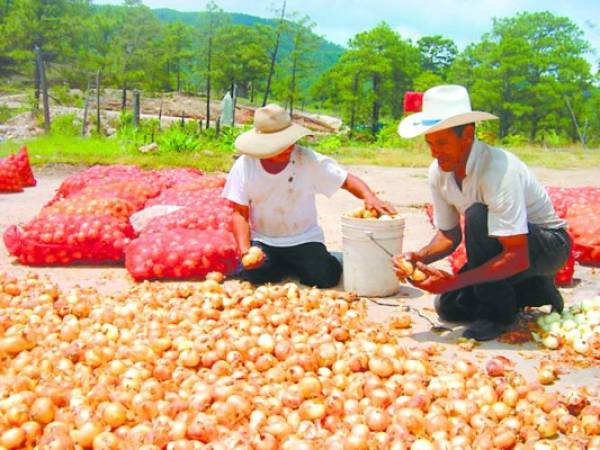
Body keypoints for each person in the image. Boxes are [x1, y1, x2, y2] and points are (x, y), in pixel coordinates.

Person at [393, 85, 571, 341]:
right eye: (430, 143)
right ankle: (535, 291)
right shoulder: (439, 171)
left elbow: (517, 255)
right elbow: (448, 235)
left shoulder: (497, 169)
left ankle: (497, 316)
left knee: (477, 216)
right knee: (450, 306)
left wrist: (452, 281)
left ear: (467, 134)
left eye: (442, 142)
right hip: (504, 246)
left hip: (548, 245)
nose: (435, 152)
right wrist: (418, 258)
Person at [223, 103, 396, 288]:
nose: (289, 148)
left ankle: (324, 259)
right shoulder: (245, 166)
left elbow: (345, 180)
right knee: (255, 276)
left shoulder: (307, 159)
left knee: (324, 278)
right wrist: (245, 251)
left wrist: (369, 196)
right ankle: (284, 264)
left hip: (303, 238)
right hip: (265, 240)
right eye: (281, 144)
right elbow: (239, 212)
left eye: (290, 142)